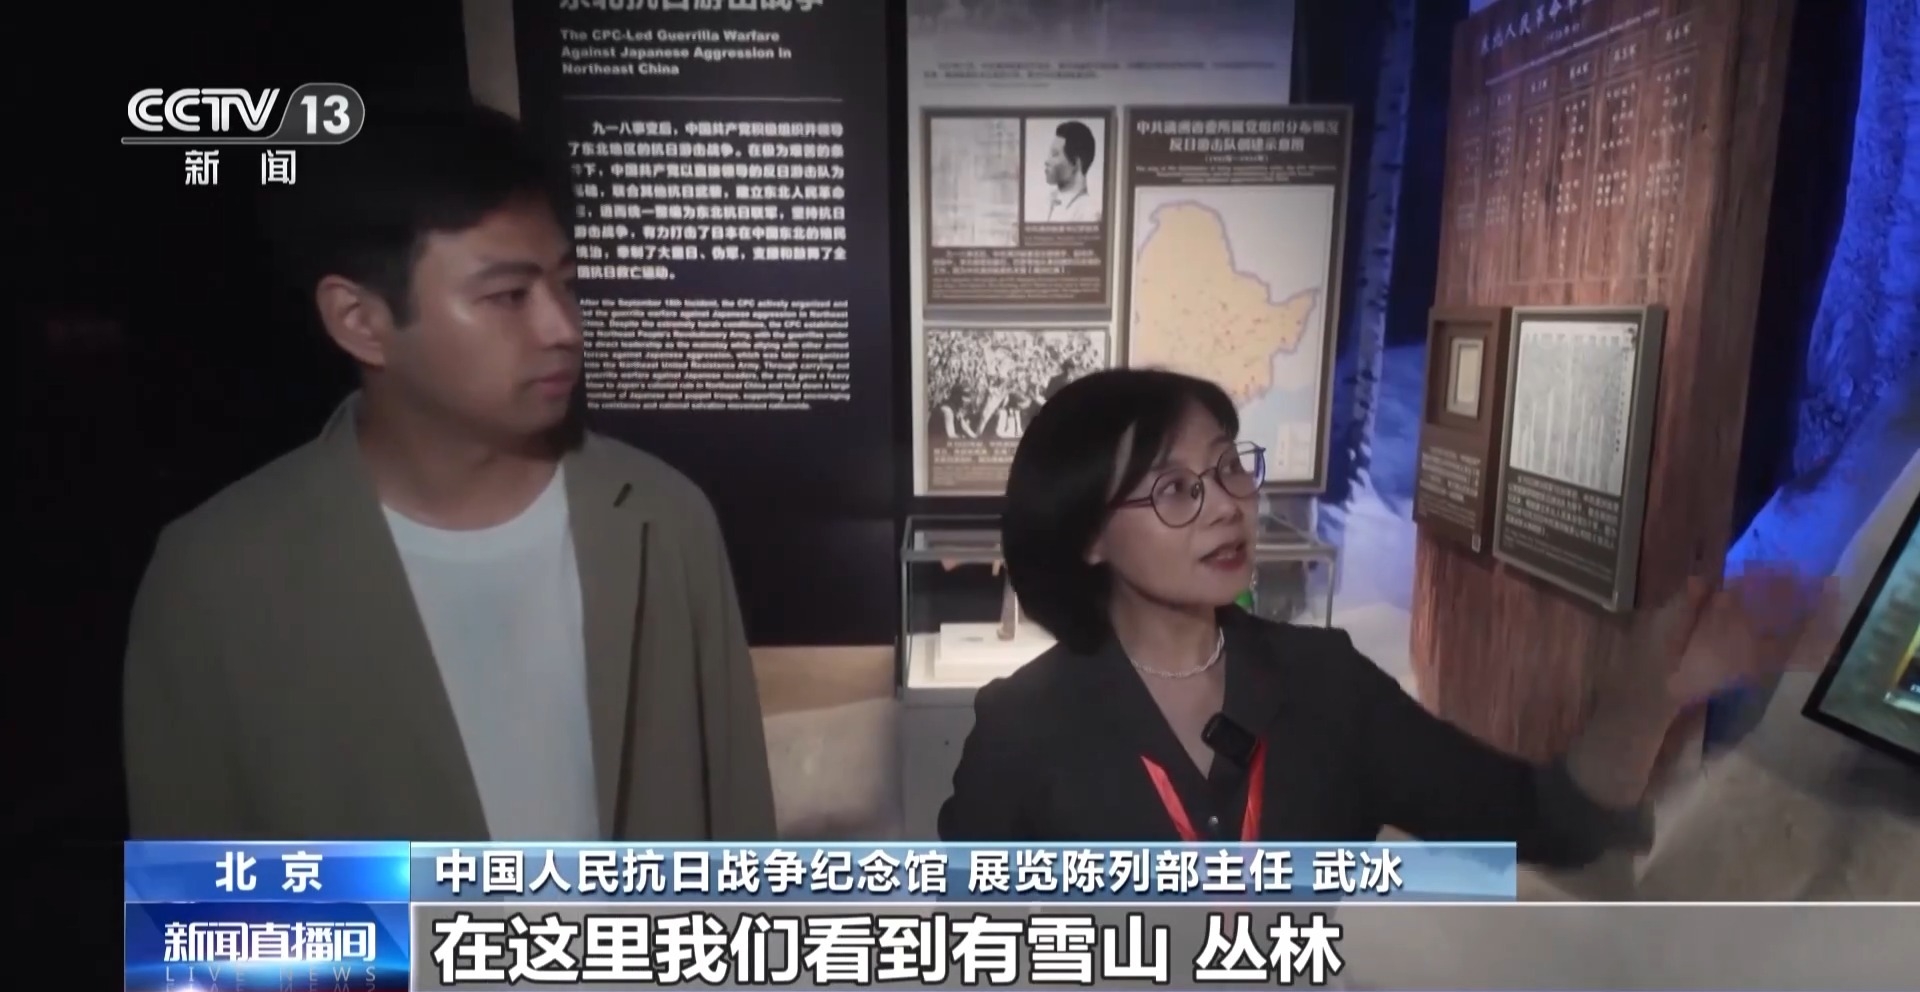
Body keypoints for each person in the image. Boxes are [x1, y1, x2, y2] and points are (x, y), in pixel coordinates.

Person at [122, 105, 776, 841]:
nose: (564, 328)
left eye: (566, 285)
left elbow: (736, 832)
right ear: (359, 320)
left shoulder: (662, 518)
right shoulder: (217, 575)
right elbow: (201, 890)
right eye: (507, 296)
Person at [939, 368, 1831, 861]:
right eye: (1175, 489)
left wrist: (1647, 698)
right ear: (1090, 535)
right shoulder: (1023, 727)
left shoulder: (1328, 686)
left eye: (1229, 467)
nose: (1227, 506)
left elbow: (1549, 821)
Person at [1041, 120, 1100, 223]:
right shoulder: (1047, 201)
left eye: (1055, 154)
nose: (1046, 161)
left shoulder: (1089, 215)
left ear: (1076, 163)